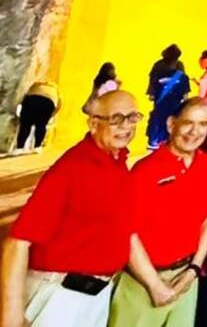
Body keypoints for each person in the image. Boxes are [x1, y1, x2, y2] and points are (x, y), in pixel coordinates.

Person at [1, 89, 139, 326]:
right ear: (94, 124)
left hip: (95, 297)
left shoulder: (117, 163)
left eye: (132, 117)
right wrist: (11, 313)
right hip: (60, 296)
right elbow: (17, 242)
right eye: (116, 119)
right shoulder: (72, 168)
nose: (126, 126)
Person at [110, 97, 207, 326]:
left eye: (202, 124)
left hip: (185, 279)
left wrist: (193, 270)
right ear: (172, 124)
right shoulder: (145, 171)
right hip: (141, 283)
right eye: (188, 123)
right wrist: (154, 285)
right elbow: (127, 233)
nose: (194, 132)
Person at [146, 53, 189, 151]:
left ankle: (155, 145)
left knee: (157, 126)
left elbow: (152, 82)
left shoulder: (158, 65)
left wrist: (152, 93)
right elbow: (185, 92)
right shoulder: (179, 66)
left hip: (160, 106)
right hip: (174, 106)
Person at [14, 81, 58, 152]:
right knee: (41, 126)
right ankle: (37, 147)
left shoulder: (35, 85)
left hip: (31, 99)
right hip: (47, 102)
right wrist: (52, 114)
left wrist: (20, 106)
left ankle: (19, 148)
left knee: (25, 126)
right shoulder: (54, 88)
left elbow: (24, 94)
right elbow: (60, 103)